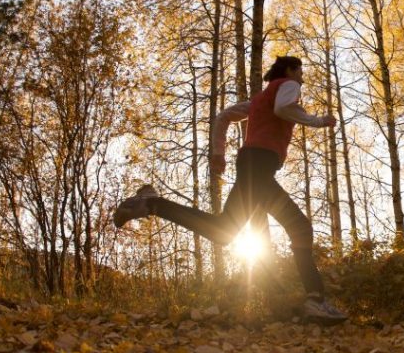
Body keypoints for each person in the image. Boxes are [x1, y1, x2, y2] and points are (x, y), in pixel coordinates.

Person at [114, 55, 347, 325]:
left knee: (224, 231)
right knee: (300, 227)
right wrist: (318, 121)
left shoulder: (261, 99)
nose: (302, 77)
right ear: (291, 70)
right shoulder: (288, 86)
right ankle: (315, 301)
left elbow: (224, 116)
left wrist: (218, 153)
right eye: (301, 71)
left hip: (251, 164)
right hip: (259, 166)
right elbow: (284, 109)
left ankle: (152, 204)